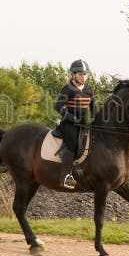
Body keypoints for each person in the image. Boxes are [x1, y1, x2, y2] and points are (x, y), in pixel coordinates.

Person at [54, 59, 96, 189]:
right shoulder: (68, 88)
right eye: (81, 74)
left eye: (85, 74)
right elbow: (58, 106)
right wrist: (71, 118)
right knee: (72, 144)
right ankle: (65, 176)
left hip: (84, 124)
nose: (84, 77)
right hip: (68, 124)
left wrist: (95, 120)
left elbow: (93, 107)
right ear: (74, 75)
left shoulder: (89, 89)